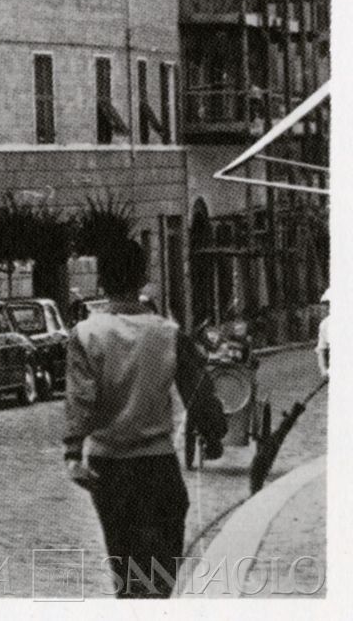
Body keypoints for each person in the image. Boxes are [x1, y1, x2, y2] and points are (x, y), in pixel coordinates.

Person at [64, 237, 224, 599]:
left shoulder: (86, 334)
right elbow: (198, 393)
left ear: (101, 282)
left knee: (125, 568)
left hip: (107, 469)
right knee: (159, 576)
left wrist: (73, 453)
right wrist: (213, 436)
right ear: (143, 279)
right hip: (157, 467)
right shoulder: (168, 333)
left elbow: (80, 399)